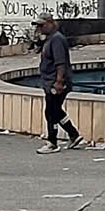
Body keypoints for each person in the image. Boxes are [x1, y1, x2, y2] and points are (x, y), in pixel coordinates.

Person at [35, 15, 81, 153]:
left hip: (55, 82)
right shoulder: (49, 39)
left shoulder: (56, 39)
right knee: (55, 110)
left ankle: (52, 142)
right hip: (49, 81)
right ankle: (73, 134)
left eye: (42, 25)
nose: (39, 28)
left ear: (50, 23)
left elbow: (60, 63)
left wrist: (59, 82)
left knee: (51, 112)